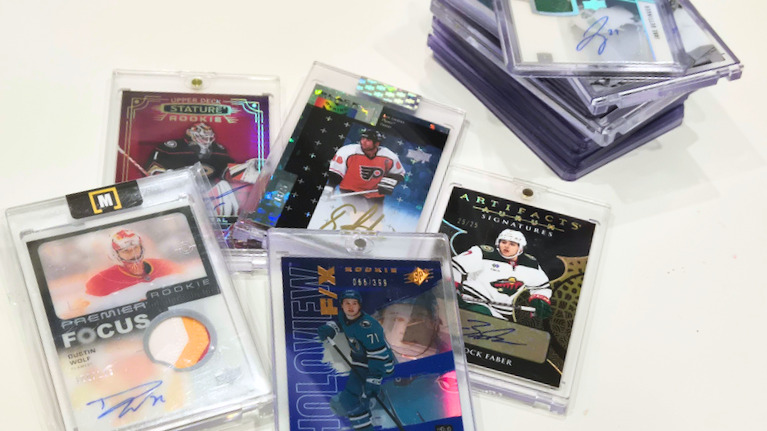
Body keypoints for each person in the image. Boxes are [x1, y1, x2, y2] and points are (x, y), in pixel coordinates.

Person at [317, 290, 395, 431]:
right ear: (341, 305)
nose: (351, 307)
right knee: (349, 401)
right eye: (347, 303)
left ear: (359, 305)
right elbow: (342, 323)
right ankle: (361, 412)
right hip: (360, 362)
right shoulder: (344, 316)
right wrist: (331, 329)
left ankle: (364, 420)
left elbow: (378, 355)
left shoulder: (368, 327)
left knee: (352, 399)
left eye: (354, 303)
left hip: (380, 364)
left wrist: (374, 380)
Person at [452, 229, 552, 320]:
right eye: (503, 242)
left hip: (505, 314)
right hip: (475, 302)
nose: (506, 246)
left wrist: (539, 299)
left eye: (512, 244)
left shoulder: (531, 264)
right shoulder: (483, 253)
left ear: (520, 248)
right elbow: (453, 267)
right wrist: (452, 288)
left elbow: (541, 287)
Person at [322, 129, 406, 211]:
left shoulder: (390, 156)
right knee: (359, 215)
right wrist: (330, 186)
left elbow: (399, 173)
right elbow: (336, 171)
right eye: (363, 138)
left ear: (377, 143)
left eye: (368, 140)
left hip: (374, 193)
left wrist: (388, 183)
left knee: (376, 219)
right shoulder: (348, 151)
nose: (363, 142)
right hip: (351, 190)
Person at [145, 122, 234, 179]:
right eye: (202, 137)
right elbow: (153, 168)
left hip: (210, 190)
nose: (206, 141)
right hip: (177, 189)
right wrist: (166, 176)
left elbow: (228, 171)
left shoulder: (218, 150)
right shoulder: (172, 147)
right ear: (191, 134)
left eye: (208, 138)